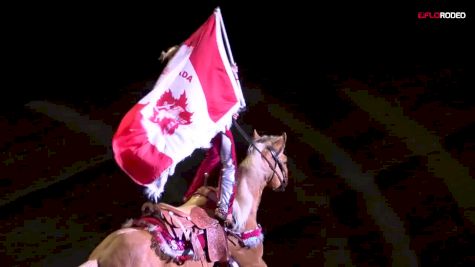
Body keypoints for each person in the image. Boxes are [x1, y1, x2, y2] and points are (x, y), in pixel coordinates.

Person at [183, 115, 239, 224]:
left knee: (214, 156)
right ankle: (224, 209)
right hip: (217, 120)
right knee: (230, 165)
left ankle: (188, 195)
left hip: (201, 121)